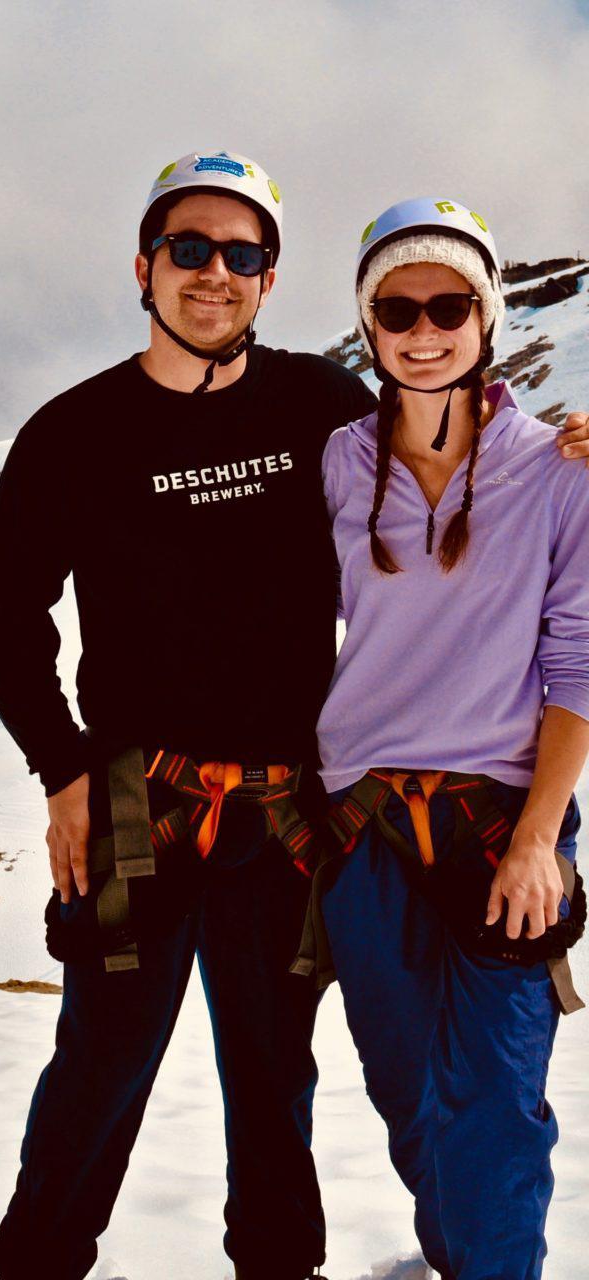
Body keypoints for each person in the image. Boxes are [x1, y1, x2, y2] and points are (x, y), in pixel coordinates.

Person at [0, 153, 589, 1280]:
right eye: (189, 249)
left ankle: (275, 1266)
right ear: (143, 266)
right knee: (102, 1056)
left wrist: (567, 446)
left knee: (270, 1066)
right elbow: (6, 609)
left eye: (241, 253)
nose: (214, 273)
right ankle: (39, 1264)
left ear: (269, 277)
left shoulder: (319, 406)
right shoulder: (73, 430)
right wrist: (59, 771)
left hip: (286, 804)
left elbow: (445, 447)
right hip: (127, 797)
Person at [295, 198, 589, 1280]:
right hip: (363, 828)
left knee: (499, 1098)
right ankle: (461, 1257)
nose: (422, 329)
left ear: (486, 315)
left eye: (447, 305)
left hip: (503, 822)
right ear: (366, 325)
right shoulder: (330, 465)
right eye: (395, 307)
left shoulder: (559, 470)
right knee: (405, 1085)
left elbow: (578, 659)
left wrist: (535, 840)